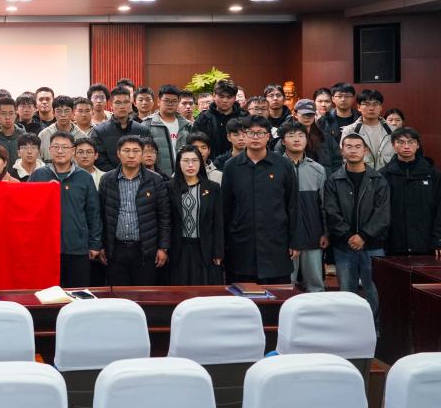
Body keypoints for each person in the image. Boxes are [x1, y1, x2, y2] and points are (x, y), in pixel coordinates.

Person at [221, 115, 300, 284]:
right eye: (251, 133)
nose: (255, 137)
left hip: (276, 244)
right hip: (241, 244)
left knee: (277, 295)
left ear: (268, 136)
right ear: (244, 135)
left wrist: (295, 241)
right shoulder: (231, 166)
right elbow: (225, 208)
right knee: (241, 295)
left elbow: (293, 205)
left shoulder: (283, 165)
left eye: (260, 133)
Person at [325, 133, 390, 323]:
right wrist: (348, 235)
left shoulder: (378, 179)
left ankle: (375, 330)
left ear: (365, 150)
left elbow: (382, 214)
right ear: (342, 151)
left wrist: (363, 236)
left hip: (373, 246)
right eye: (349, 146)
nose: (353, 150)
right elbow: (331, 212)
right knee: (347, 292)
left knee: (374, 290)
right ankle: (349, 329)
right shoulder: (334, 180)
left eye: (357, 146)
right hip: (344, 245)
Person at [30, 132, 102, 288]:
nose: (60, 151)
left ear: (73, 150)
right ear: (49, 149)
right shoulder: (38, 175)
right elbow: (28, 209)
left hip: (77, 246)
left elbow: (93, 213)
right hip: (46, 248)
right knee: (48, 293)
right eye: (56, 147)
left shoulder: (84, 177)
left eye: (65, 147)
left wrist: (95, 244)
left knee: (77, 292)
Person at [98, 135, 171, 286]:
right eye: (126, 150)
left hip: (145, 249)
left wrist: (163, 247)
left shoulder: (156, 180)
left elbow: (164, 216)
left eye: (136, 151)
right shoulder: (107, 180)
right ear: (118, 153)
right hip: (116, 249)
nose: (131, 155)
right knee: (118, 294)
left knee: (144, 293)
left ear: (142, 153)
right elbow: (101, 215)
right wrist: (102, 246)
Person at [380, 127, 441, 257]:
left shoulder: (432, 174)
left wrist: (440, 240)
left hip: (425, 243)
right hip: (393, 244)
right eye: (401, 142)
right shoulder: (384, 174)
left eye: (411, 142)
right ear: (393, 145)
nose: (406, 146)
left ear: (417, 145)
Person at [279, 122, 328, 293]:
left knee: (315, 284)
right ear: (283, 141)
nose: (297, 139)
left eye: (301, 135)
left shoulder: (318, 169)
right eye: (291, 136)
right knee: (286, 285)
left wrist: (325, 232)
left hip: (312, 233)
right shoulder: (276, 167)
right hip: (284, 236)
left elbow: (323, 204)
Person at [167, 145, 224, 286]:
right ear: (178, 163)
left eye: (195, 160)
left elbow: (218, 222)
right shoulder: (169, 187)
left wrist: (218, 252)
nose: (190, 165)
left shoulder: (212, 188)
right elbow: (166, 221)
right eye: (185, 161)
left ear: (201, 163)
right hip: (178, 248)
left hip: (204, 247)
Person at [91, 86, 150, 171]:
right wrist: (117, 174)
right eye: (118, 103)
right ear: (111, 105)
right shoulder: (99, 131)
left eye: (126, 102)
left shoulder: (142, 129)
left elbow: (147, 155)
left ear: (130, 103)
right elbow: (99, 159)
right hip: (110, 176)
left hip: (138, 175)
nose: (122, 106)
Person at [142, 84, 192, 178]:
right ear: (158, 101)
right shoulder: (147, 125)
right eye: (166, 100)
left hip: (183, 177)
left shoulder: (187, 125)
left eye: (174, 101)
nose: (170, 104)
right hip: (157, 178)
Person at [340, 89, 395, 170]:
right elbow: (345, 158)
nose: (371, 108)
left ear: (381, 107)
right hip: (360, 175)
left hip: (388, 176)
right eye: (366, 104)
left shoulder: (393, 131)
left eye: (375, 104)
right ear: (359, 107)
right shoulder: (349, 130)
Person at [192, 80, 246, 158]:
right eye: (221, 96)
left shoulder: (244, 117)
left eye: (229, 97)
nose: (225, 100)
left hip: (239, 161)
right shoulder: (203, 118)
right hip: (210, 162)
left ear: (234, 98)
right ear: (214, 96)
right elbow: (195, 143)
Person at [319, 82, 360, 170]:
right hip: (332, 164)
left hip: (357, 163)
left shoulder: (360, 119)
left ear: (353, 98)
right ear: (333, 98)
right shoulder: (324, 120)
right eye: (339, 96)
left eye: (347, 96)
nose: (343, 99)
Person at [38, 96, 82, 161]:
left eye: (67, 111)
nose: (63, 115)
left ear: (73, 112)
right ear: (53, 113)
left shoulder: (81, 136)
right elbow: (38, 162)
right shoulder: (43, 135)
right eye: (59, 111)